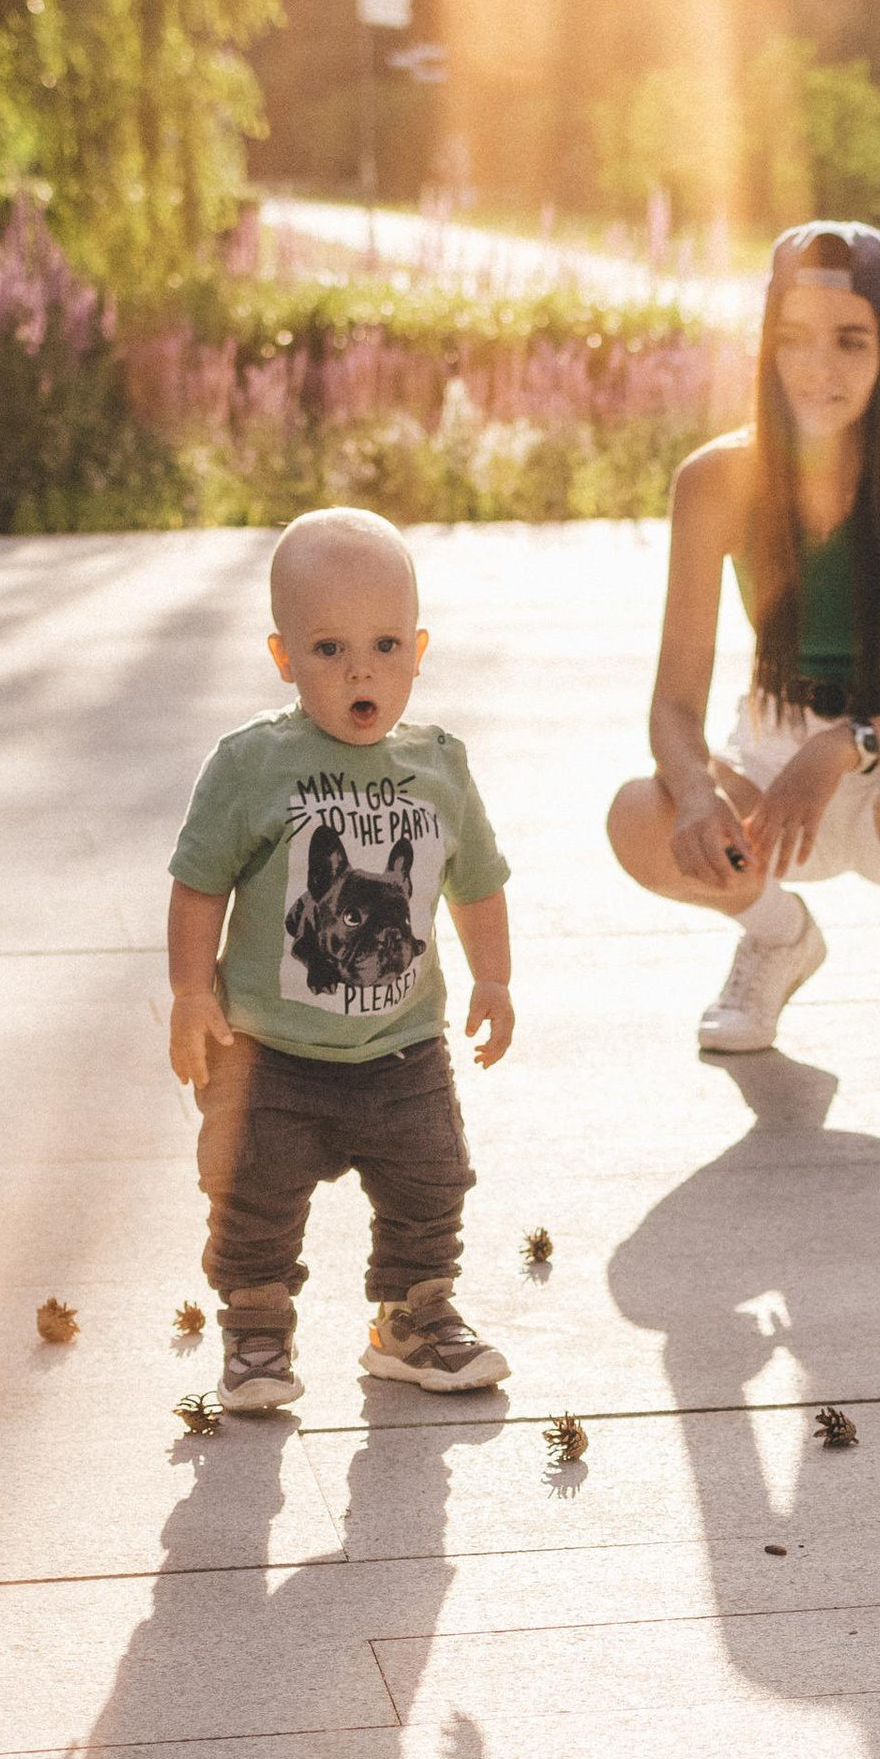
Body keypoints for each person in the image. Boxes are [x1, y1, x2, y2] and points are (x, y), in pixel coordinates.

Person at [606, 220, 880, 1066]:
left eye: (850, 341)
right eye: (792, 340)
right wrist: (693, 791)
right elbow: (675, 703)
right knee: (640, 815)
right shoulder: (716, 479)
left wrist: (837, 751)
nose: (818, 369)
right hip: (767, 757)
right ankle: (777, 938)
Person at [167, 504, 515, 1414]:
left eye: (386, 645)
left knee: (432, 1178)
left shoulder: (439, 768)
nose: (363, 668)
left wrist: (495, 978)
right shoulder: (252, 764)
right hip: (267, 1053)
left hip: (403, 1049)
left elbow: (477, 883)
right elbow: (199, 882)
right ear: (283, 657)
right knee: (249, 1191)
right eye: (328, 650)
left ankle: (414, 1315)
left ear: (418, 649)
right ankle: (254, 1326)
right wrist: (188, 991)